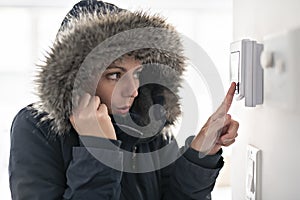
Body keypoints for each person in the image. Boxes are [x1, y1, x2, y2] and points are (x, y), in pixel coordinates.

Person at [9, 0, 239, 199]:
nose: (134, 90)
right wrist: (99, 149)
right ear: (77, 78)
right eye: (115, 75)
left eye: (137, 74)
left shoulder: (148, 126)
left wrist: (200, 155)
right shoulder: (36, 129)